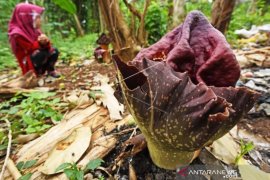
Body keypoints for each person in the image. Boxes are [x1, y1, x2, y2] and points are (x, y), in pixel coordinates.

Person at [8, 3, 60, 78]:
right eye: (37, 17)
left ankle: (50, 70)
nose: (40, 20)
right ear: (27, 17)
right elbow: (28, 49)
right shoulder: (17, 34)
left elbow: (47, 46)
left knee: (54, 51)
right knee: (41, 54)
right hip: (28, 62)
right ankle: (36, 74)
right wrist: (40, 43)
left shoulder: (35, 30)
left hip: (36, 56)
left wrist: (46, 41)